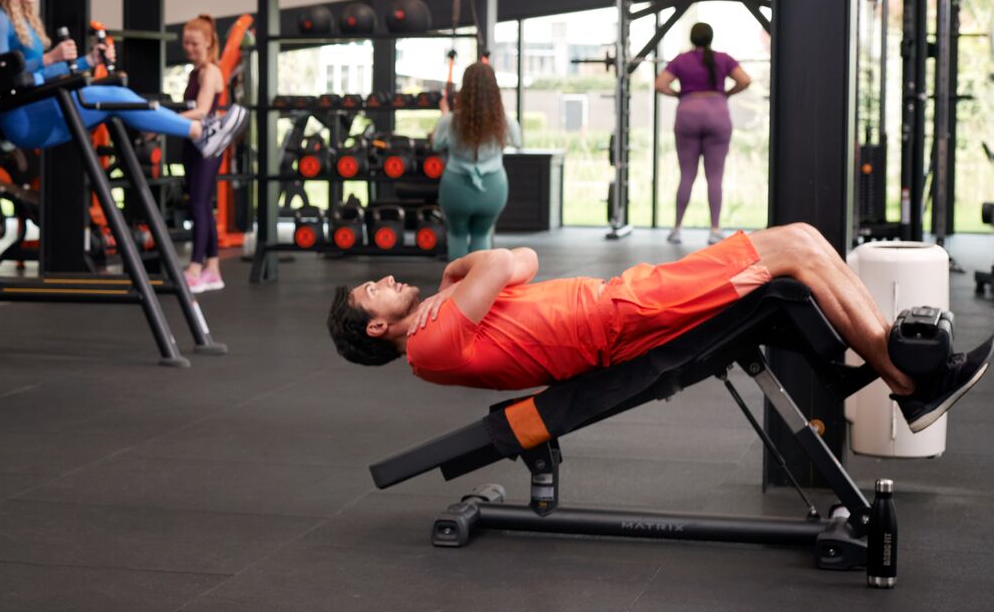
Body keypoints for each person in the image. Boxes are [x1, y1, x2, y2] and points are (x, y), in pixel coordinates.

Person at [325, 224, 990, 433]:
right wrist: (460, 276)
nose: (384, 279)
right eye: (373, 291)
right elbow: (504, 260)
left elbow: (524, 260)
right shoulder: (430, 341)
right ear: (379, 327)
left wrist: (455, 282)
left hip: (619, 303)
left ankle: (907, 380)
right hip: (619, 317)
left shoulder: (446, 317)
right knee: (797, 250)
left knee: (802, 246)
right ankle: (910, 384)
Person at [0, 0, 245, 161]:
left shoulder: (23, 21)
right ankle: (200, 132)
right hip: (20, 119)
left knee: (119, 98)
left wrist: (88, 60)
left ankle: (200, 131)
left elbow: (40, 74)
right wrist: (49, 58)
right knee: (115, 97)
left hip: (37, 104)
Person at [655, 22, 751, 244]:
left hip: (688, 114)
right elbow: (745, 80)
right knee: (715, 177)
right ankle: (715, 230)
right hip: (717, 113)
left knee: (687, 175)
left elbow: (660, 84)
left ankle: (677, 229)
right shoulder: (723, 58)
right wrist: (725, 93)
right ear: (711, 38)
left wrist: (679, 95)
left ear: (692, 38)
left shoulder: (681, 60)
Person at [431, 61, 521, 257]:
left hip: (455, 188)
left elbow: (436, 144)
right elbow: (518, 141)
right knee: (482, 234)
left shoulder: (450, 121)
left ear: (465, 88)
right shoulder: (506, 122)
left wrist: (445, 113)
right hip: (493, 189)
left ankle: (457, 287)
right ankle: (482, 285)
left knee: (456, 235)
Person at [178, 14, 232, 293]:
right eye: (186, 42)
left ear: (209, 42)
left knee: (199, 206)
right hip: (193, 144)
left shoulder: (211, 71)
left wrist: (164, 118)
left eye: (194, 43)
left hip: (206, 147)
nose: (189, 48)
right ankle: (213, 268)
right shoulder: (193, 72)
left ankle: (196, 267)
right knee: (202, 206)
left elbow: (201, 110)